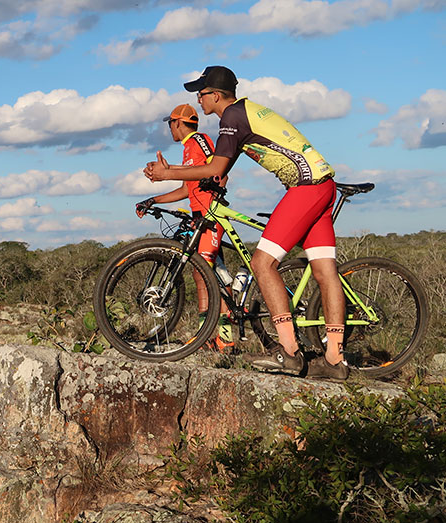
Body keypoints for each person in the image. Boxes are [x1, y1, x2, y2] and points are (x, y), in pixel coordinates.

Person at [143, 66, 347, 380]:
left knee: (262, 264)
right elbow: (221, 168)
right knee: (324, 271)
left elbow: (216, 167)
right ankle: (335, 360)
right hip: (322, 183)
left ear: (215, 94)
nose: (199, 98)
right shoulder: (245, 113)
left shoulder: (232, 117)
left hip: (305, 187)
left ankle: (289, 352)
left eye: (201, 92)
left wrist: (168, 173)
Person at [136, 103, 233, 352]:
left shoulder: (198, 140)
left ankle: (224, 336)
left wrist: (215, 194)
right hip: (200, 216)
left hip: (211, 215)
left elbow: (217, 169)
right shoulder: (187, 149)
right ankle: (207, 335)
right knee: (204, 274)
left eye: (170, 123)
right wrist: (154, 199)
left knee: (205, 272)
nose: (170, 128)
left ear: (178, 122)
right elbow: (185, 189)